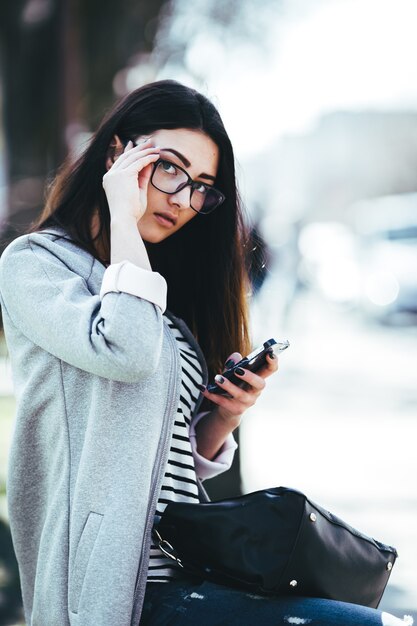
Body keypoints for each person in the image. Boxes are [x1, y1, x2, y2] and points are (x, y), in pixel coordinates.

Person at [0, 80, 411, 626]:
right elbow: (125, 352)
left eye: (201, 186)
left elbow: (154, 457)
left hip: (192, 572)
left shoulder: (152, 290)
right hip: (110, 591)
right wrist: (123, 216)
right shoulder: (36, 266)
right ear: (118, 154)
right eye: (169, 167)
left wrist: (222, 418)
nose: (181, 197)